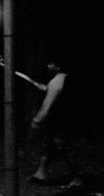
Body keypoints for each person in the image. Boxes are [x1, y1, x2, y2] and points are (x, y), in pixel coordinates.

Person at [26, 56, 82, 187]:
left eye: (51, 64)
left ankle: (77, 178)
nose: (48, 66)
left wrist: (37, 121)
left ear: (57, 67)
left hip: (59, 121)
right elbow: (60, 94)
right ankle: (41, 173)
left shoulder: (55, 83)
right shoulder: (64, 79)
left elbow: (47, 105)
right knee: (48, 144)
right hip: (63, 118)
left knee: (63, 147)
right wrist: (46, 88)